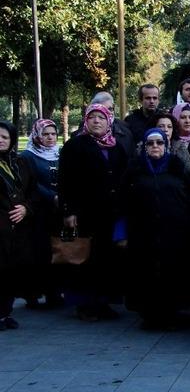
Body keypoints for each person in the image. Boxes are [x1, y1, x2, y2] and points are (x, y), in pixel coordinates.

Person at [117, 128, 190, 327]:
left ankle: (173, 314)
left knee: (173, 272)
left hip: (175, 233)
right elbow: (121, 203)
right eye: (150, 143)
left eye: (159, 143)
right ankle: (150, 315)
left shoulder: (177, 167)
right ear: (144, 147)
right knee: (146, 273)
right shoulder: (134, 170)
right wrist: (121, 233)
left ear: (166, 145)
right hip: (143, 233)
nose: (155, 147)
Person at [59, 104, 129, 321]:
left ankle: (104, 302)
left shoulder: (116, 147)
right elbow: (65, 181)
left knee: (108, 259)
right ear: (86, 121)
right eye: (92, 117)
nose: (96, 121)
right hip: (85, 213)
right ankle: (85, 305)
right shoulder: (75, 145)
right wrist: (69, 211)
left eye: (101, 117)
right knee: (85, 259)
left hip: (110, 213)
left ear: (109, 121)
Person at [19, 119, 63, 309]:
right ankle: (32, 294)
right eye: (45, 134)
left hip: (58, 211)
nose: (50, 138)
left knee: (58, 250)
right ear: (37, 135)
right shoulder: (28, 156)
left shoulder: (60, 153)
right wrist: (51, 196)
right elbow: (31, 184)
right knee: (39, 253)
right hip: (38, 212)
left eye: (53, 134)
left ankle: (54, 292)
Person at [0, 121, 35, 330]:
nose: (1, 141)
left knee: (11, 272)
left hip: (17, 229)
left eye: (5, 137)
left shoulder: (19, 162)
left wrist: (26, 208)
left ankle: (5, 312)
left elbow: (32, 190)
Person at [86, 92, 135, 158]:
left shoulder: (125, 132)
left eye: (110, 109)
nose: (108, 113)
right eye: (103, 110)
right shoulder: (78, 138)